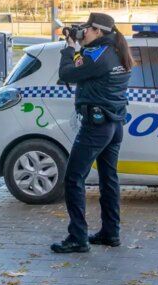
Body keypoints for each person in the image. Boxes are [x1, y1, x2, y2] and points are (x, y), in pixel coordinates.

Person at [51, 13, 133, 253]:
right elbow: (84, 67)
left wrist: (68, 49)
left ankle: (77, 237)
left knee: (73, 178)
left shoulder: (98, 55)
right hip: (113, 123)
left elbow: (67, 73)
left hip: (97, 126)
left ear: (98, 31)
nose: (83, 32)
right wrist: (79, 47)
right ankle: (110, 232)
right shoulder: (117, 51)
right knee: (109, 179)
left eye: (86, 29)